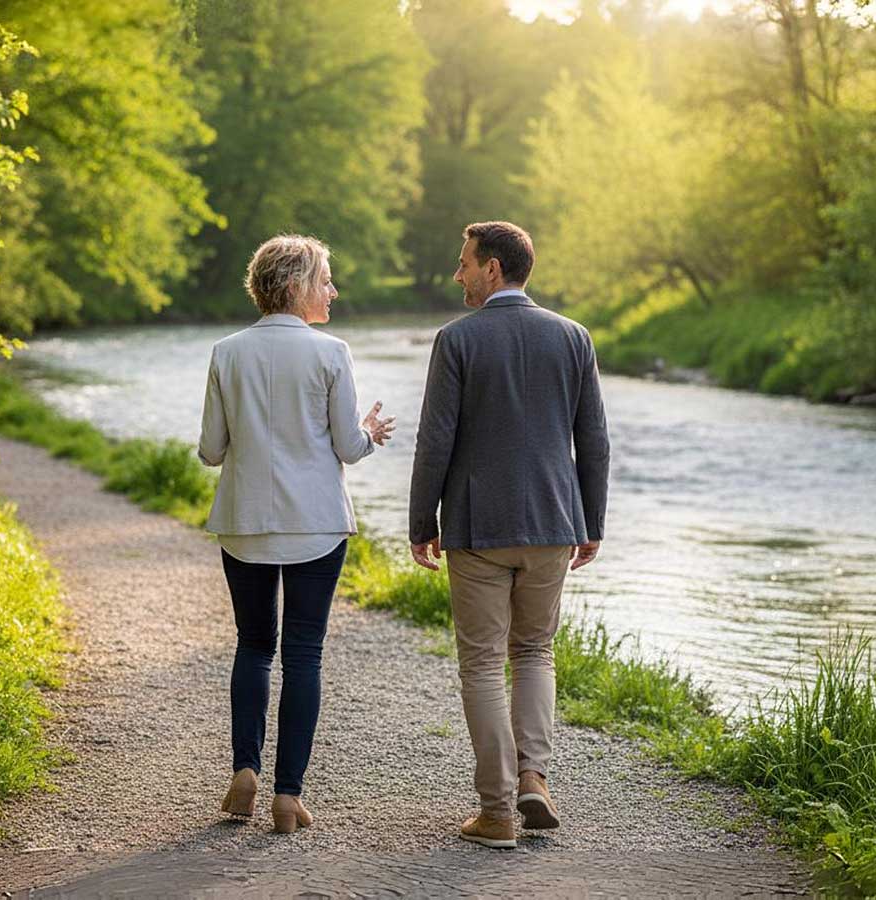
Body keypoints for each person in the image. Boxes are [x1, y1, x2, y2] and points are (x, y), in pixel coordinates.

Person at [408, 220, 609, 849]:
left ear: (492, 268)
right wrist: (591, 522)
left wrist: (422, 523)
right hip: (554, 521)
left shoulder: (457, 340)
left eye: (464, 262)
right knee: (534, 653)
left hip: (479, 525)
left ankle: (496, 813)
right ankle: (535, 780)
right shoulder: (573, 337)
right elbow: (594, 440)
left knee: (483, 663)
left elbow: (435, 439)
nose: (458, 273)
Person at [198, 234, 396, 834]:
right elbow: (347, 447)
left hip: (245, 521)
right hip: (315, 523)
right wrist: (368, 432)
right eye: (325, 280)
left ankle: (243, 770)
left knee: (254, 645)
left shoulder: (226, 351)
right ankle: (288, 797)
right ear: (296, 285)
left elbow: (210, 451)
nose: (333, 290)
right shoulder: (332, 352)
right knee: (303, 653)